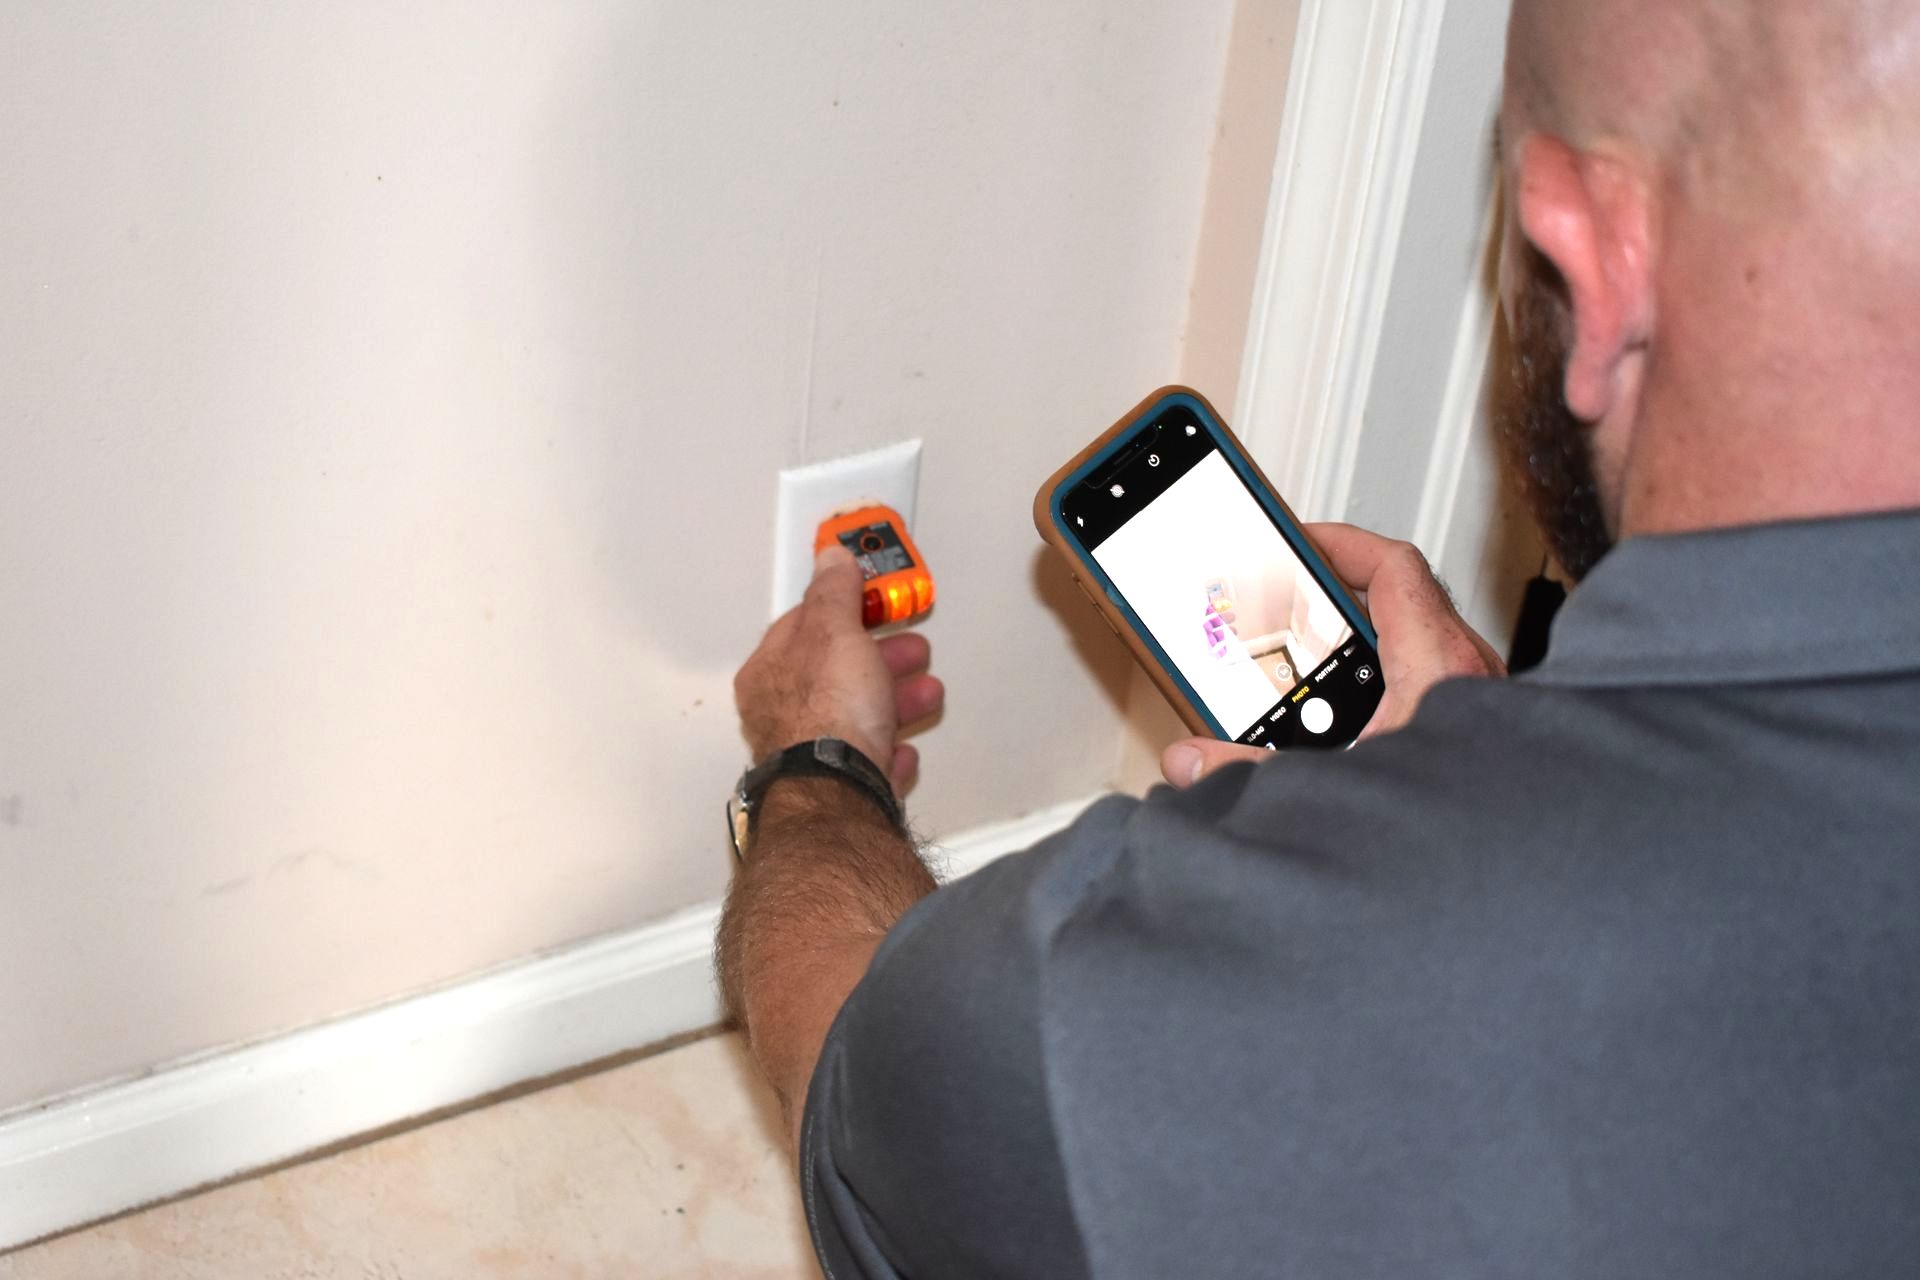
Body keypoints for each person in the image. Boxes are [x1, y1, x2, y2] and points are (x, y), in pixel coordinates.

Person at [719, 2, 1920, 1274]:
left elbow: (856, 1087)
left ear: (1587, 250)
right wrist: (1508, 767)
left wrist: (815, 767)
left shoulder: (1152, 1003)